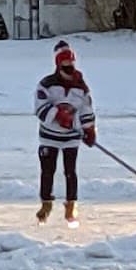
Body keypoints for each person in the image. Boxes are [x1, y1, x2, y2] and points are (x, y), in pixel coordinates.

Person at [33, 44, 96, 225]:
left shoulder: (81, 88)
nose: (69, 67)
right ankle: (46, 204)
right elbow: (40, 107)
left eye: (71, 63)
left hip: (71, 138)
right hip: (49, 136)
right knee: (48, 171)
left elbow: (86, 109)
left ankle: (71, 206)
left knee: (70, 171)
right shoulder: (46, 85)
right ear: (58, 65)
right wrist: (58, 116)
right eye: (65, 64)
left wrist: (89, 129)